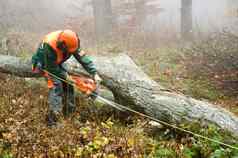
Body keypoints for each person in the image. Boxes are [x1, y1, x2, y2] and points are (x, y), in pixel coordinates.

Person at [31, 30, 102, 126]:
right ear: (63, 45)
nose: (71, 52)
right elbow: (52, 68)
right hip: (44, 64)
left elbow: (83, 58)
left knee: (69, 84)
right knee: (56, 86)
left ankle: (69, 115)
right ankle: (53, 121)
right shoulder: (49, 45)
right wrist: (65, 76)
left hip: (56, 62)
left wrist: (94, 73)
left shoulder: (72, 42)